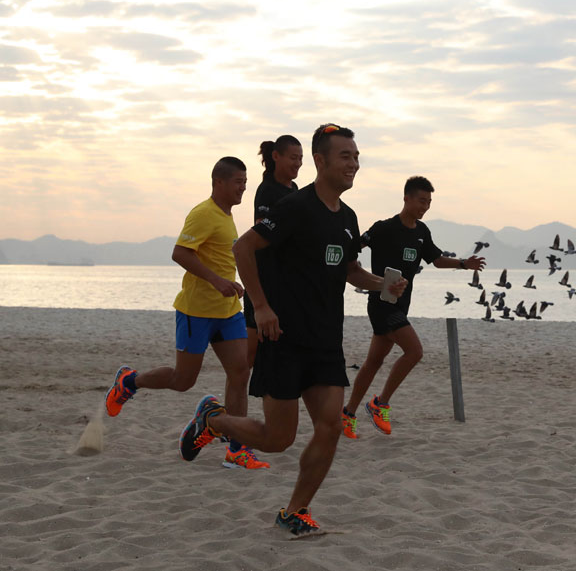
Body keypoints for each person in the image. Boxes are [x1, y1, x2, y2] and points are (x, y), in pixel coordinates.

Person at [178, 124, 407, 536]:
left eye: (357, 157)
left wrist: (380, 284)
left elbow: (350, 269)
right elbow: (242, 247)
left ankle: (295, 510)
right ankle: (213, 420)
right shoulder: (294, 207)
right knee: (276, 438)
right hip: (283, 339)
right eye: (345, 156)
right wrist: (261, 306)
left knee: (331, 426)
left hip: (324, 344)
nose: (354, 163)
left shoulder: (349, 218)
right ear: (321, 161)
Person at [104, 157, 268, 468]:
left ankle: (236, 448)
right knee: (183, 380)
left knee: (239, 373)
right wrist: (217, 280)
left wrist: (231, 282)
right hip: (197, 311)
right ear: (218, 182)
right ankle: (129, 381)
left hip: (227, 311)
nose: (243, 188)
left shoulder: (227, 216)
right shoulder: (203, 213)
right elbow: (179, 252)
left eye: (245, 182)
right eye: (238, 182)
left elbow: (220, 257)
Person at [341, 176, 485, 439]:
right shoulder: (384, 228)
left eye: (429, 202)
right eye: (421, 200)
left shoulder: (421, 232)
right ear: (406, 197)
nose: (425, 206)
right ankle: (379, 404)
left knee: (373, 362)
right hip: (382, 304)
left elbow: (437, 260)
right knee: (415, 351)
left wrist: (464, 263)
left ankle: (347, 414)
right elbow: (353, 247)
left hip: (401, 305)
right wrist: (349, 265)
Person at [245, 137, 302, 366]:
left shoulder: (294, 189)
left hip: (285, 282)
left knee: (277, 352)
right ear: (276, 156)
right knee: (249, 359)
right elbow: (262, 230)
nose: (297, 163)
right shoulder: (267, 189)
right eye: (293, 157)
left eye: (300, 159)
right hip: (263, 279)